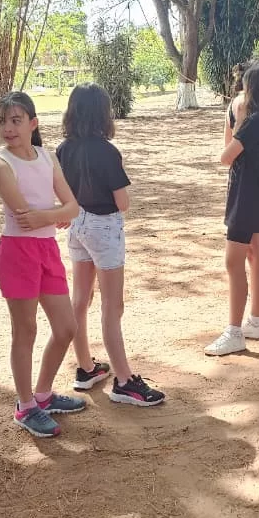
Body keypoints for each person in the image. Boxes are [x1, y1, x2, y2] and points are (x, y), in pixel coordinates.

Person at [55, 84, 167, 406]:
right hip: (103, 226)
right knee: (112, 306)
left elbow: (62, 193)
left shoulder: (63, 149)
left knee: (81, 299)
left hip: (77, 223)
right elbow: (123, 202)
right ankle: (124, 380)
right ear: (103, 114)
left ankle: (86, 367)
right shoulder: (107, 151)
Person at [0, 92, 88, 437]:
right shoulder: (1, 165)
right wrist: (56, 214)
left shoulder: (47, 157)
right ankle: (25, 405)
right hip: (17, 252)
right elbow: (26, 218)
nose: (8, 128)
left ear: (33, 123)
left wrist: (54, 214)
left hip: (46, 250)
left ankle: (43, 395)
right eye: (2, 121)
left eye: (16, 120)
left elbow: (73, 207)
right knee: (25, 330)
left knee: (66, 327)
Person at [207, 64, 259, 356]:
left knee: (234, 262)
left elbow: (225, 156)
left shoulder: (254, 122)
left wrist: (239, 121)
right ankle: (255, 321)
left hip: (246, 197)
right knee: (256, 254)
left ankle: (234, 331)